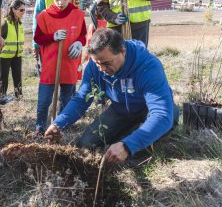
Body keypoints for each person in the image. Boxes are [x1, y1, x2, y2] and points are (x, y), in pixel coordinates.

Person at [44, 28, 179, 164]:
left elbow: (161, 115)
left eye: (107, 63)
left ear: (123, 52)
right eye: (98, 63)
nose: (102, 69)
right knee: (86, 144)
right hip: (121, 109)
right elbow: (81, 98)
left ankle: (136, 142)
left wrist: (127, 146)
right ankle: (130, 132)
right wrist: (59, 123)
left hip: (148, 109)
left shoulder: (148, 67)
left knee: (167, 118)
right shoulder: (95, 65)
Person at [34, 0, 87, 135]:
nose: (61, 2)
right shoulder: (44, 16)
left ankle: (61, 127)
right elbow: (38, 38)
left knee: (67, 99)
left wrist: (79, 42)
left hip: (69, 65)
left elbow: (83, 35)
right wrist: (52, 37)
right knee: (44, 101)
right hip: (50, 67)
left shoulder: (77, 15)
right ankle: (40, 126)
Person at [32, 0, 83, 80]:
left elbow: (80, 19)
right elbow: (37, 18)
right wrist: (36, 45)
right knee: (49, 79)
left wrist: (79, 42)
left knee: (69, 81)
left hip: (70, 44)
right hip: (50, 43)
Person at [0, 0, 25, 99]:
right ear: (13, 9)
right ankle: (1, 97)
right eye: (21, 10)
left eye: (24, 10)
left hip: (17, 55)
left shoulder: (19, 24)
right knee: (3, 78)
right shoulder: (4, 23)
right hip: (4, 56)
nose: (23, 12)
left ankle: (18, 95)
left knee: (18, 77)